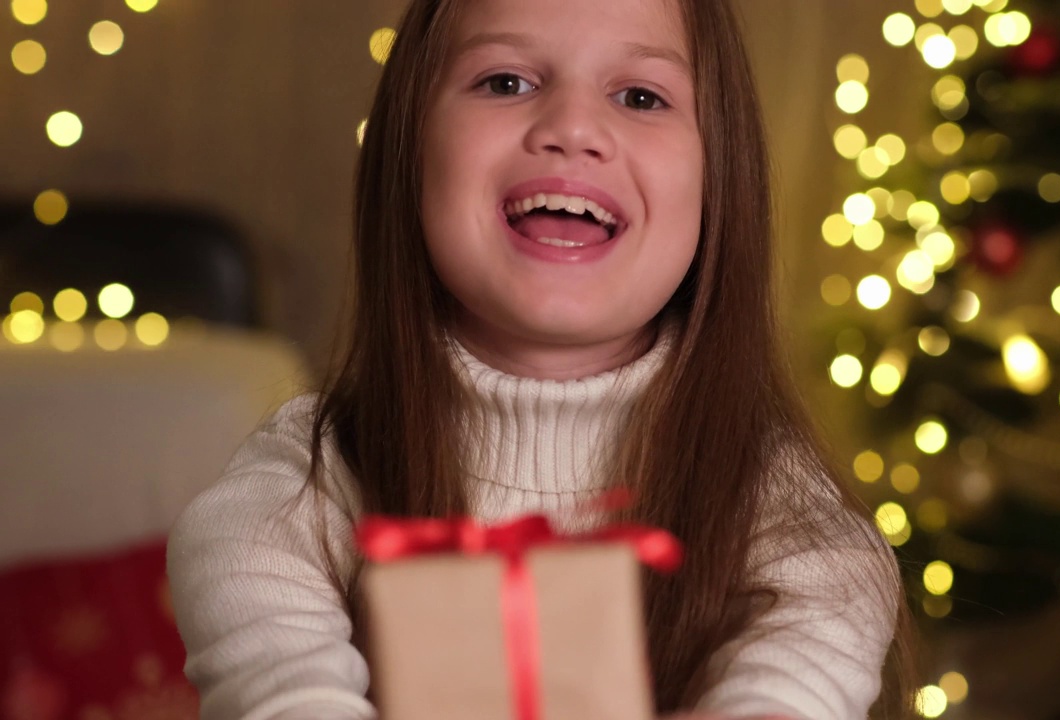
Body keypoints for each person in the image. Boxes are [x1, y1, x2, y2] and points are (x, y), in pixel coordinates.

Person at [166, 0, 917, 718]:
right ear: (408, 147)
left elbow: (823, 630)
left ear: (721, 177)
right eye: (506, 82)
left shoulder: (781, 508)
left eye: (642, 96)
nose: (573, 128)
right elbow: (272, 660)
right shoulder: (298, 488)